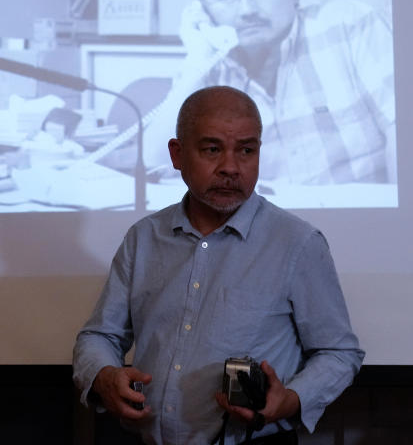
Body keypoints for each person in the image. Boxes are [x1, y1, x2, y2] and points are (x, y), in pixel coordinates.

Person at [73, 86, 364, 445]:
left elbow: (338, 351)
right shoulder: (143, 238)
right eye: (212, 149)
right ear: (177, 154)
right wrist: (102, 374)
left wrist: (291, 399)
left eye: (246, 150)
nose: (230, 167)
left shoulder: (297, 244)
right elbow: (100, 335)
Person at [142, 0, 396, 186]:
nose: (246, 10)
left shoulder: (347, 27)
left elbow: (402, 129)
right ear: (204, 11)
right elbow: (157, 161)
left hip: (357, 220)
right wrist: (197, 61)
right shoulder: (207, 66)